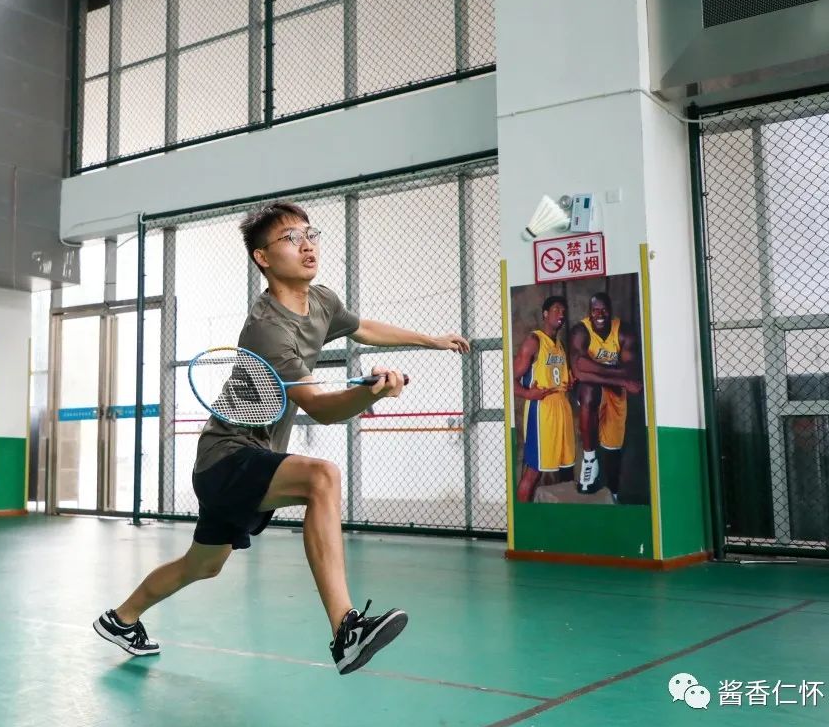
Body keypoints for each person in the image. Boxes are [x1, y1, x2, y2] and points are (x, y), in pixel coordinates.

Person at [93, 201, 470, 675]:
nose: (307, 245)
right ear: (263, 258)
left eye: (310, 234)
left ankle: (121, 619)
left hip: (252, 457)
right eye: (290, 238)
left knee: (203, 565)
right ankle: (346, 629)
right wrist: (371, 394)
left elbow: (363, 328)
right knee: (322, 477)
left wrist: (430, 340)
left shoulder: (322, 301)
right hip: (226, 456)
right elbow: (321, 409)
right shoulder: (267, 329)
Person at [568, 292, 642, 499]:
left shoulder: (624, 332)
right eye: (595, 310)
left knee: (612, 450)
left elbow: (631, 370)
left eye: (603, 310)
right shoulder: (581, 331)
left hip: (615, 394)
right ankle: (589, 460)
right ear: (589, 313)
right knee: (588, 391)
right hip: (596, 389)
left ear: (610, 311)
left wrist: (594, 368)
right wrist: (620, 379)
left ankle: (614, 493)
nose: (599, 314)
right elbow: (579, 372)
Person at [512, 296, 574, 503]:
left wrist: (568, 382)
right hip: (541, 410)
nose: (561, 314)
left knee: (565, 466)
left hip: (561, 406)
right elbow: (509, 380)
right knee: (534, 470)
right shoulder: (534, 341)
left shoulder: (559, 345)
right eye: (556, 309)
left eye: (563, 311)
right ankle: (522, 515)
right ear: (545, 314)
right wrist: (528, 394)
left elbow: (556, 376)